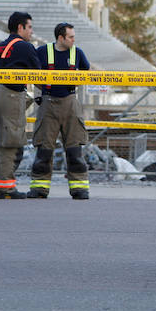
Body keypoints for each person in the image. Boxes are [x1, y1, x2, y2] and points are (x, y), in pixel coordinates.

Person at [27, 22, 91, 200]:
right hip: (48, 103)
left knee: (74, 150)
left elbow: (87, 72)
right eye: (70, 37)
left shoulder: (77, 53)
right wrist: (42, 90)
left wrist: (75, 83)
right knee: (44, 150)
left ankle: (79, 188)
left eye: (73, 36)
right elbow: (32, 73)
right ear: (60, 38)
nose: (73, 40)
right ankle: (39, 188)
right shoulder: (42, 52)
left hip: (70, 102)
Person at [0, 11, 40, 199]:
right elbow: (39, 75)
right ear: (20, 27)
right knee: (9, 142)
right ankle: (6, 187)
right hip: (11, 95)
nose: (31, 31)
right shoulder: (25, 47)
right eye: (29, 27)